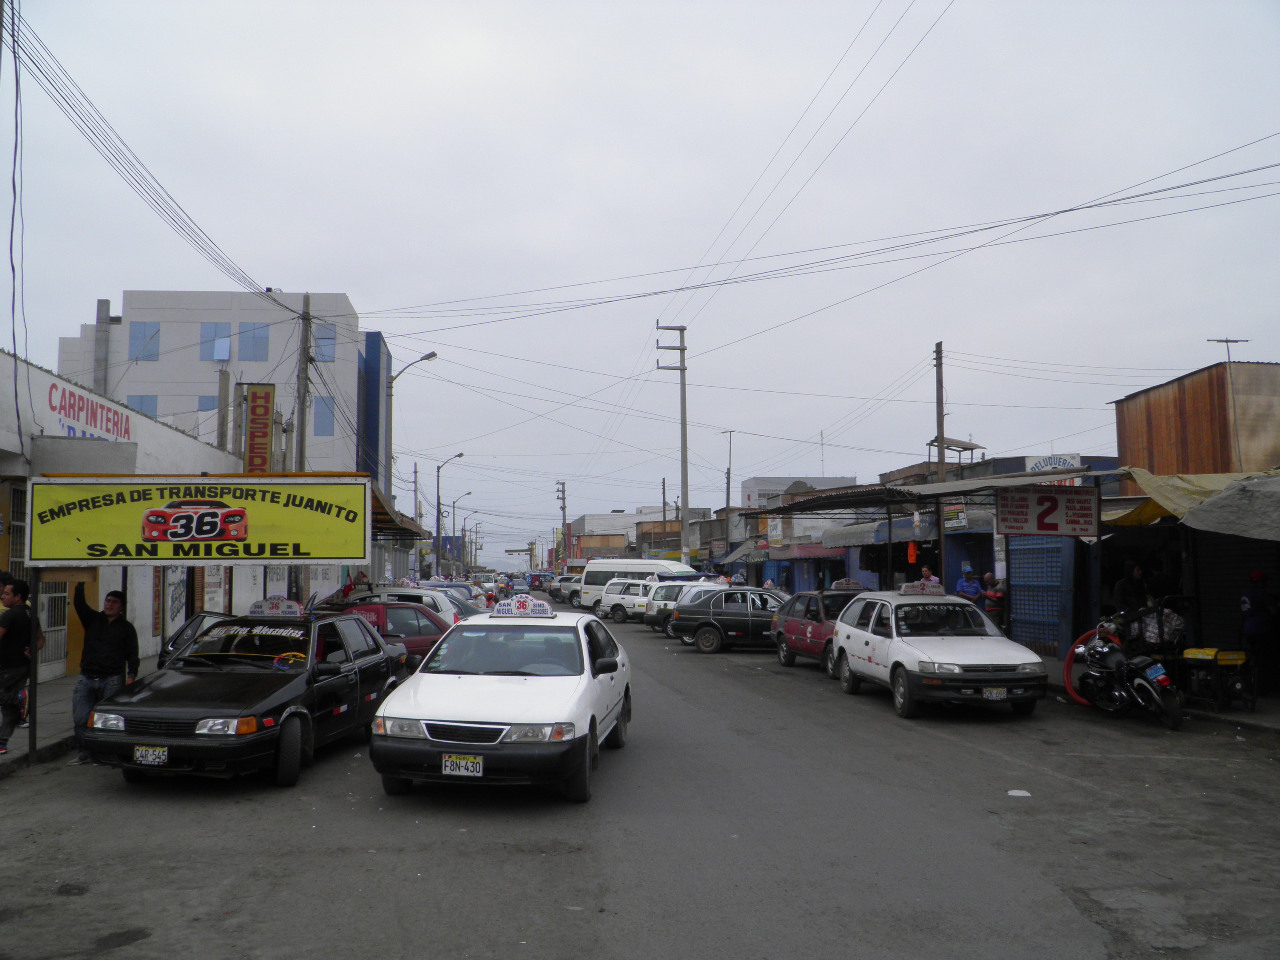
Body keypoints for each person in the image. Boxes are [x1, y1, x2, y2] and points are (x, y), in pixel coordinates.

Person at [68, 582, 139, 765]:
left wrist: (131, 676)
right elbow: (79, 604)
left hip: (112, 679)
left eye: (114, 602)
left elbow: (132, 653)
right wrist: (80, 582)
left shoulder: (126, 628)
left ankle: (104, 755)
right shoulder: (92, 619)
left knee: (107, 720)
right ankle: (85, 752)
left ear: (121, 606)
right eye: (107, 601)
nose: (109, 604)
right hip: (87, 677)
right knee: (81, 718)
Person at [0, 579, 38, 756]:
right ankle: (2, 743)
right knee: (9, 709)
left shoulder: (10, 615)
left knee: (8, 702)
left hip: (8, 668)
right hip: (23, 667)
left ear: (18, 596)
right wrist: (33, 648)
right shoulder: (31, 614)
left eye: (7, 593)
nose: (3, 596)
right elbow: (41, 639)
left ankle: (20, 699)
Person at [1241, 570, 1277, 694]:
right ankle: (1263, 687)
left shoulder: (1246, 593)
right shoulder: (1261, 593)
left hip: (1249, 630)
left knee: (1256, 658)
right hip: (1261, 630)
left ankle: (1256, 686)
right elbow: (1273, 611)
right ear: (1260, 582)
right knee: (1265, 659)